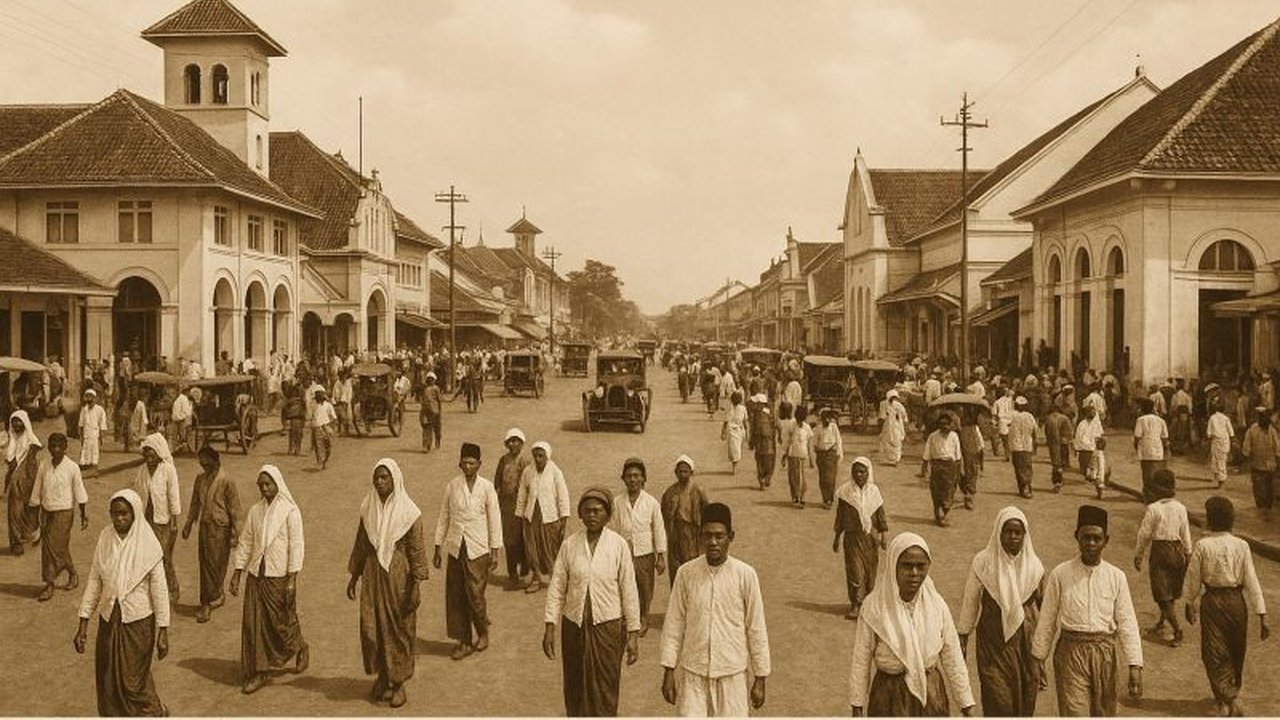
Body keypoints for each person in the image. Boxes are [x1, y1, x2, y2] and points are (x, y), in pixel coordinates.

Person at [1031, 505, 1143, 716]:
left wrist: (1135, 664)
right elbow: (1047, 619)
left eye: (1096, 538)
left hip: (1105, 656)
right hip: (1070, 654)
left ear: (1105, 540)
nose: (1091, 543)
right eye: (1086, 537)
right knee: (1075, 713)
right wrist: (1038, 658)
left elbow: (1127, 622)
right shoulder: (1060, 574)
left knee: (1104, 713)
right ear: (1077, 537)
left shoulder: (1116, 577)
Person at [660, 502, 770, 717]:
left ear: (731, 537)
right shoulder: (686, 574)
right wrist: (668, 670)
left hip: (733, 674)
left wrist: (760, 677)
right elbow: (674, 624)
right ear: (700, 537)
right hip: (694, 673)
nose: (713, 542)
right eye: (707, 535)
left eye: (719, 536)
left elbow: (756, 628)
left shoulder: (745, 575)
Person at [848, 532, 975, 717]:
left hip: (931, 696)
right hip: (888, 696)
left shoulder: (936, 605)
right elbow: (861, 659)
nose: (914, 573)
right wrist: (857, 706)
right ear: (893, 567)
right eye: (907, 566)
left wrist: (966, 704)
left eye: (920, 566)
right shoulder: (875, 607)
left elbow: (952, 656)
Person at [544, 486, 642, 716]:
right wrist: (550, 625)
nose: (592, 515)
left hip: (607, 628)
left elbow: (629, 590)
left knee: (606, 685)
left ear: (608, 515)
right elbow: (557, 586)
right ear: (580, 514)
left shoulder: (618, 545)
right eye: (587, 511)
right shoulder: (570, 545)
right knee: (575, 685)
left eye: (598, 511)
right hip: (574, 626)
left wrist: (634, 634)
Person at [74, 489, 170, 717]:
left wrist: (163, 631)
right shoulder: (106, 537)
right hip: (110, 620)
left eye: (124, 514)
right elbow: (95, 581)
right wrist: (83, 624)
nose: (119, 519)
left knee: (133, 681)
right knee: (108, 678)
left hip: (138, 623)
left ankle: (155, 712)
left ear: (135, 513)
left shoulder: (148, 545)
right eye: (114, 514)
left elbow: (160, 591)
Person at [347, 459, 429, 708]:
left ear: (395, 479)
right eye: (377, 478)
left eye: (385, 478)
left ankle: (399, 683)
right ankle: (383, 676)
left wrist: (415, 585)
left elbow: (416, 551)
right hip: (373, 575)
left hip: (398, 579)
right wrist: (354, 576)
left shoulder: (409, 513)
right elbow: (362, 543)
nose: (380, 482)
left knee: (398, 631)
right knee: (371, 628)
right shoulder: (367, 507)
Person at [1182, 496, 1270, 717]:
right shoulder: (1241, 545)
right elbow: (1251, 580)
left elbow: (1193, 578)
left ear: (1210, 520)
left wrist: (1189, 601)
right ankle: (1230, 695)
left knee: (1213, 650)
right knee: (1235, 648)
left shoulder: (1202, 545)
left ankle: (1224, 698)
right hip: (1236, 604)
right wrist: (1262, 612)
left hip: (1212, 603)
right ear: (1231, 520)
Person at [957, 507, 1044, 717]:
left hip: (1026, 643)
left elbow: (1044, 609)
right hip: (993, 642)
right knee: (998, 700)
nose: (1013, 537)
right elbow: (971, 600)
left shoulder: (1034, 567)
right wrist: (963, 635)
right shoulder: (983, 563)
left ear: (1025, 535)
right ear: (998, 533)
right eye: (1008, 531)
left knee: (1026, 699)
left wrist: (1041, 653)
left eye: (1018, 532)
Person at [230, 465, 309, 694]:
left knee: (280, 623)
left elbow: (296, 546)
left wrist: (292, 578)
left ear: (277, 484)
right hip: (257, 575)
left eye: (268, 484)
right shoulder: (256, 511)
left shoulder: (290, 512)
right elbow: (246, 542)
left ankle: (300, 646)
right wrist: (237, 572)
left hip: (279, 576)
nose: (265, 489)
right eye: (261, 485)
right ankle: (260, 670)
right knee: (254, 623)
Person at [433, 442, 502, 660]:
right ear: (460, 464)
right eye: (465, 463)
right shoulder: (452, 486)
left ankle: (482, 633)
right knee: (456, 595)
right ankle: (463, 640)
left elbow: (494, 519)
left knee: (475, 594)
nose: (468, 467)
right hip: (456, 547)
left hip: (478, 548)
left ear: (479, 464)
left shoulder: (487, 487)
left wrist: (495, 550)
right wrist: (438, 546)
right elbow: (444, 516)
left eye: (472, 463)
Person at [182, 445, 241, 624]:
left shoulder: (226, 480)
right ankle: (205, 603)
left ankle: (217, 592)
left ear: (216, 462)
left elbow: (235, 510)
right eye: (202, 464)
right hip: (205, 528)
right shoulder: (199, 480)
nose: (205, 467)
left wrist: (235, 533)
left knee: (218, 565)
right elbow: (194, 504)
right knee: (206, 565)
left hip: (221, 529)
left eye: (208, 464)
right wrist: (188, 524)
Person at [1134, 469, 1193, 647]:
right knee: (1171, 591)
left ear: (1156, 489)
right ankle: (1161, 622)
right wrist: (1188, 553)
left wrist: (1138, 555)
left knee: (1162, 593)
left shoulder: (1154, 509)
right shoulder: (1181, 508)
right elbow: (1186, 533)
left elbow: (1144, 534)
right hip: (1178, 551)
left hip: (1161, 552)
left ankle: (1177, 630)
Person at [28, 432, 87, 601]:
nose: (56, 450)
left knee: (57, 547)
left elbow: (79, 491)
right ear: (49, 448)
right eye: (52, 447)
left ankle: (50, 583)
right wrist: (34, 511)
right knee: (49, 550)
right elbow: (37, 488)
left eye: (59, 447)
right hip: (47, 511)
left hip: (64, 512)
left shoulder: (72, 467)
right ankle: (68, 574)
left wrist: (83, 515)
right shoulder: (44, 465)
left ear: (65, 448)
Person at [612, 457, 666, 635]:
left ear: (643, 479)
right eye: (629, 476)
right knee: (624, 585)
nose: (633, 479)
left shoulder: (651, 503)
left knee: (644, 587)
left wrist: (660, 556)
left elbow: (658, 529)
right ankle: (628, 617)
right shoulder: (618, 502)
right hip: (624, 553)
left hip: (645, 553)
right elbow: (612, 528)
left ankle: (643, 618)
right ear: (623, 478)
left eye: (636, 476)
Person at [833, 457, 886, 620]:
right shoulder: (845, 492)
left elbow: (880, 514)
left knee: (870, 572)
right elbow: (840, 517)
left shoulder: (874, 492)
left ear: (868, 473)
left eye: (862, 471)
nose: (859, 475)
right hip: (852, 538)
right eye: (855, 471)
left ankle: (868, 604)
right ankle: (856, 604)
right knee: (855, 571)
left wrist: (883, 535)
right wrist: (836, 537)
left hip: (871, 538)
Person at [517, 440, 571, 594]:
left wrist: (563, 518)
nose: (538, 459)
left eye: (541, 456)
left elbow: (563, 496)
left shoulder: (555, 472)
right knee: (532, 548)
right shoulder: (528, 471)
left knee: (550, 550)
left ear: (547, 456)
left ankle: (556, 580)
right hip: (531, 516)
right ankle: (536, 578)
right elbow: (522, 493)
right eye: (536, 456)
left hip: (549, 517)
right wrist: (520, 514)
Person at [134, 433, 182, 602]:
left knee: (164, 556)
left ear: (159, 453)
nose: (149, 459)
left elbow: (173, 495)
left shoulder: (167, 470)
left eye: (152, 455)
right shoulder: (142, 471)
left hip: (163, 521)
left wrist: (174, 522)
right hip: (146, 520)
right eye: (146, 455)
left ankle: (173, 588)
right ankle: (152, 591)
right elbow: (138, 494)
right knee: (147, 556)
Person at [661, 455, 709, 586]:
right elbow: (663, 515)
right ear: (675, 472)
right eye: (680, 471)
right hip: (675, 535)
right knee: (677, 574)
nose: (682, 474)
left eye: (685, 471)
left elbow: (706, 514)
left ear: (691, 473)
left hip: (693, 536)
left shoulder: (698, 491)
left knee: (694, 571)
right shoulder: (670, 492)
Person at [494, 428, 530, 589]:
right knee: (509, 540)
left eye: (516, 441)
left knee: (523, 538)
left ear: (522, 443)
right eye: (510, 441)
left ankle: (525, 566)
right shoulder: (503, 460)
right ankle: (512, 573)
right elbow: (497, 481)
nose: (513, 444)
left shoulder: (525, 461)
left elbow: (529, 483)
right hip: (506, 505)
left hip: (522, 504)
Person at [5, 410, 42, 554]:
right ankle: (16, 542)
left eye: (19, 421)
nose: (17, 424)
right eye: (14, 422)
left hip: (29, 480)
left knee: (30, 509)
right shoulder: (12, 440)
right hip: (15, 482)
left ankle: (31, 533)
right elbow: (9, 459)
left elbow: (33, 463)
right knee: (14, 510)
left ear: (25, 423)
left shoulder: (32, 442)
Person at [922, 413, 962, 527]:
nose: (944, 426)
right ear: (938, 425)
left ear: (951, 425)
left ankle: (944, 513)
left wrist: (958, 469)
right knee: (936, 490)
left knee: (948, 490)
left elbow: (958, 455)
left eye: (947, 424)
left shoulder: (954, 436)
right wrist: (924, 468)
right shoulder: (933, 436)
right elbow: (927, 453)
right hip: (937, 465)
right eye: (942, 424)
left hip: (950, 466)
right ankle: (937, 512)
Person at [1241, 408, 1280, 515]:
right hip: (1262, 465)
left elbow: (1246, 449)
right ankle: (1264, 509)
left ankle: (1264, 509)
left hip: (1262, 465)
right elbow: (1277, 448)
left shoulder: (1265, 430)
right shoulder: (1266, 430)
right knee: (1264, 488)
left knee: (1263, 488)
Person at [1134, 399, 1171, 503]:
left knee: (1147, 474)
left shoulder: (1141, 420)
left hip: (1146, 450)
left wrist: (1136, 447)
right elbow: (1165, 438)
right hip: (1158, 449)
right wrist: (1167, 450)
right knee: (1157, 473)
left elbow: (1137, 436)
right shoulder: (1161, 420)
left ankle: (1148, 496)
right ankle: (1157, 495)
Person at [784, 405, 815, 508]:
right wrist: (784, 455)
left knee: (803, 478)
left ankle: (802, 497)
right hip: (792, 455)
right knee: (793, 477)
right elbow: (787, 442)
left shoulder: (807, 428)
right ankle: (795, 497)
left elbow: (809, 445)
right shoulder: (791, 426)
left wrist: (811, 459)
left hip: (803, 455)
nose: (800, 421)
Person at [814, 407, 844, 509]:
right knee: (823, 479)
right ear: (821, 418)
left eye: (828, 418)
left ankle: (830, 499)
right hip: (821, 455)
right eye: (824, 418)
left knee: (831, 478)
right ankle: (825, 499)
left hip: (831, 454)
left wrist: (839, 454)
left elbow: (838, 441)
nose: (826, 420)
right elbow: (814, 443)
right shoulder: (817, 429)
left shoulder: (834, 427)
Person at [1008, 396, 1037, 498]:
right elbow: (1034, 431)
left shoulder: (1013, 415)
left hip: (1017, 446)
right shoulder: (1030, 416)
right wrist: (1035, 444)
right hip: (1027, 446)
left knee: (1019, 468)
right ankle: (1027, 486)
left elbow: (1008, 428)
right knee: (1028, 467)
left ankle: (1024, 488)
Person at [749, 394, 778, 490]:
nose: (754, 405)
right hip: (768, 442)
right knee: (767, 461)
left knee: (761, 462)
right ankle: (765, 478)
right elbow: (775, 426)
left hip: (762, 442)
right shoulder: (770, 413)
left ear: (761, 404)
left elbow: (753, 430)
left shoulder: (757, 415)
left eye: (756, 404)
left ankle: (763, 480)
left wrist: (751, 442)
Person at [1206, 398, 1235, 489]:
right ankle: (1219, 478)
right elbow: (1231, 432)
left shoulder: (1212, 418)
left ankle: (1220, 479)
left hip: (1216, 441)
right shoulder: (1226, 418)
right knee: (1222, 460)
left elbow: (1209, 433)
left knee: (1216, 460)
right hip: (1225, 441)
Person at [78, 389, 108, 472]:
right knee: (85, 448)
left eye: (90, 396)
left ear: (95, 398)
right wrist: (80, 434)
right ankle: (85, 464)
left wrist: (102, 436)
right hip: (86, 433)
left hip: (95, 433)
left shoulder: (99, 410)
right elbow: (81, 423)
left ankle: (93, 465)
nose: (89, 398)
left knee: (94, 449)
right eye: (87, 396)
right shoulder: (84, 409)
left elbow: (102, 423)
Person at [1045, 403, 1073, 492]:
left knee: (1056, 464)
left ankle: (1057, 482)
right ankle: (1059, 482)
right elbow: (1069, 432)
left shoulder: (1049, 419)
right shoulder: (1064, 418)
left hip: (1053, 445)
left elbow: (1047, 433)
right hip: (1063, 444)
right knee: (1061, 464)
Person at [1073, 404, 1104, 477]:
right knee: (1086, 474)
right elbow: (1078, 439)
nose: (1094, 414)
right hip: (1085, 451)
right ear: (1087, 413)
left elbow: (1100, 435)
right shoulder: (1082, 425)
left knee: (1097, 471)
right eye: (1091, 412)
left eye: (1094, 412)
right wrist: (1077, 449)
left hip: (1095, 450)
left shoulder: (1096, 424)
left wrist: (1099, 444)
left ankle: (1099, 481)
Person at [879, 389, 908, 466]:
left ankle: (896, 459)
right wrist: (881, 428)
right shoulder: (883, 404)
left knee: (897, 442)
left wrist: (905, 425)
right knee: (887, 441)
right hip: (887, 426)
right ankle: (888, 460)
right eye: (891, 397)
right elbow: (882, 417)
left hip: (897, 426)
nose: (893, 399)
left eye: (894, 397)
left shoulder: (899, 406)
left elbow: (904, 416)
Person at [722, 391, 748, 475]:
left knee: (734, 449)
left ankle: (734, 466)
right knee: (736, 449)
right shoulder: (742, 408)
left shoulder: (730, 408)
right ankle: (735, 466)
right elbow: (745, 421)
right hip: (738, 431)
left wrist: (722, 433)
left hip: (733, 431)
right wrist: (747, 432)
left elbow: (725, 422)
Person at [310, 388, 336, 469]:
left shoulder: (328, 405)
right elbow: (310, 416)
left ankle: (324, 461)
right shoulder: (313, 405)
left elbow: (334, 417)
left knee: (328, 446)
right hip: (317, 428)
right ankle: (320, 462)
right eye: (317, 395)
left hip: (326, 427)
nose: (319, 396)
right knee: (319, 446)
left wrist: (330, 427)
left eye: (320, 394)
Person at [420, 372, 443, 452]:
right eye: (429, 379)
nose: (430, 381)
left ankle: (437, 441)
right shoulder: (425, 389)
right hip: (427, 411)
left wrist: (439, 410)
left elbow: (439, 400)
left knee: (436, 428)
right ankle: (427, 445)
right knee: (427, 428)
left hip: (434, 411)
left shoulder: (435, 388)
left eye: (431, 379)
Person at [281, 386, 305, 456]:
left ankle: (294, 449)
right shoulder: (297, 402)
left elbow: (284, 411)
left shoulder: (299, 402)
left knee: (295, 435)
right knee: (296, 435)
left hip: (296, 419)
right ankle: (295, 449)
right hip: (295, 420)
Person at [169, 387, 192, 454]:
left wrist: (182, 416)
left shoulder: (182, 398)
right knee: (177, 435)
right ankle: (176, 449)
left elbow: (186, 410)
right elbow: (185, 411)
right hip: (177, 419)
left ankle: (181, 449)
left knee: (180, 435)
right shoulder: (178, 399)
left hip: (180, 419)